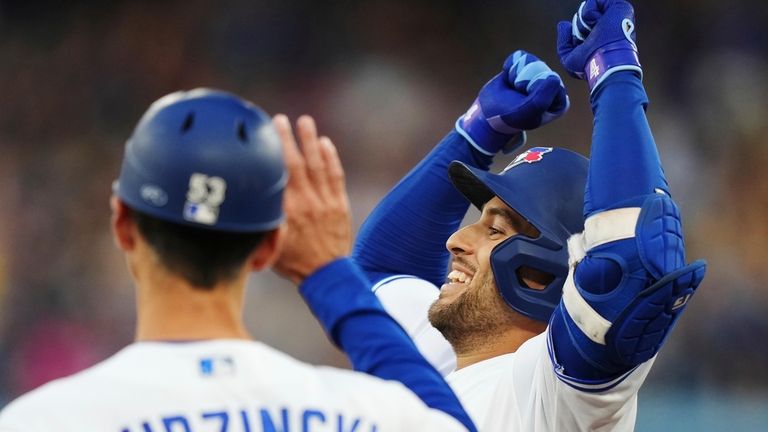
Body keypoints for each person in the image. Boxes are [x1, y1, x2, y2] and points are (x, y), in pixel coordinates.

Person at [0, 89, 476, 431]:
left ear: (122, 223)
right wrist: (327, 275)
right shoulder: (362, 412)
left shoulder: (44, 420)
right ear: (269, 246)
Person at [352, 0, 707, 430]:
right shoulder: (440, 354)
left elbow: (632, 264)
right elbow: (381, 270)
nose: (456, 240)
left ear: (545, 272)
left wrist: (615, 78)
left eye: (496, 230)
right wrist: (476, 133)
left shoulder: (550, 394)